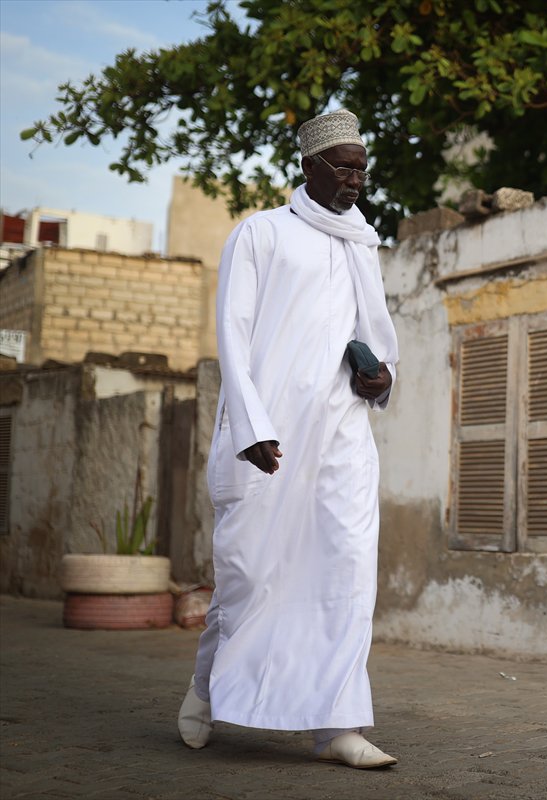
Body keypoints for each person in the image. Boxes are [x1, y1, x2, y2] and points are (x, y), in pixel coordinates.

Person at [176, 109, 400, 769]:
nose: (355, 179)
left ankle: (336, 727)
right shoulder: (262, 233)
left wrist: (382, 377)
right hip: (271, 435)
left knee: (346, 572)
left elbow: (377, 336)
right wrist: (250, 426)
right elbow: (233, 333)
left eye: (361, 169)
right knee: (250, 575)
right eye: (344, 167)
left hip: (342, 436)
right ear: (309, 166)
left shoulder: (362, 241)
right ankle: (205, 688)